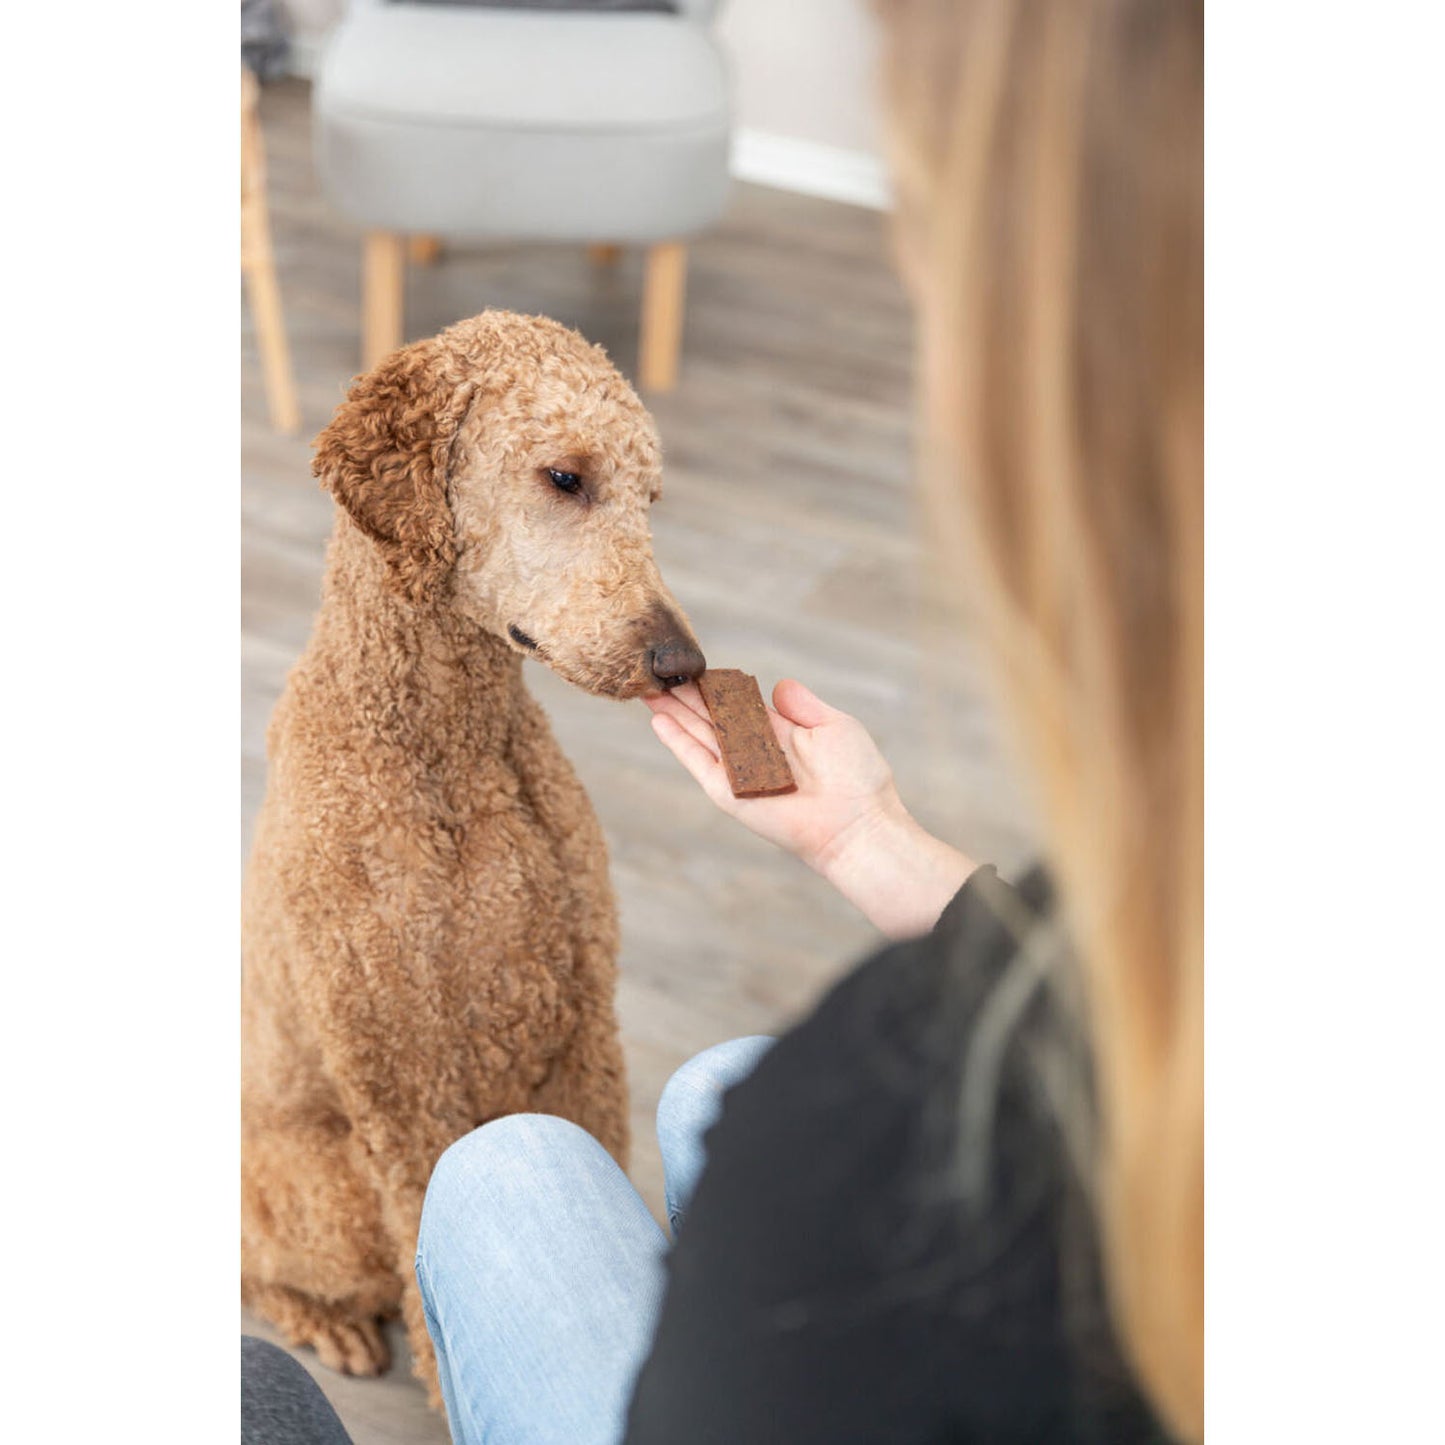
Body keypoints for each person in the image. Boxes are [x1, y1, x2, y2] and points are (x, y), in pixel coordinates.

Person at [244, 0, 1202, 1440]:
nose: (655, 608)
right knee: (632, 1100)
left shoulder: (829, 1132)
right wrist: (870, 836)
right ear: (414, 499)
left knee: (525, 1160)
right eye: (567, 489)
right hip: (334, 1157)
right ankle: (344, 1301)